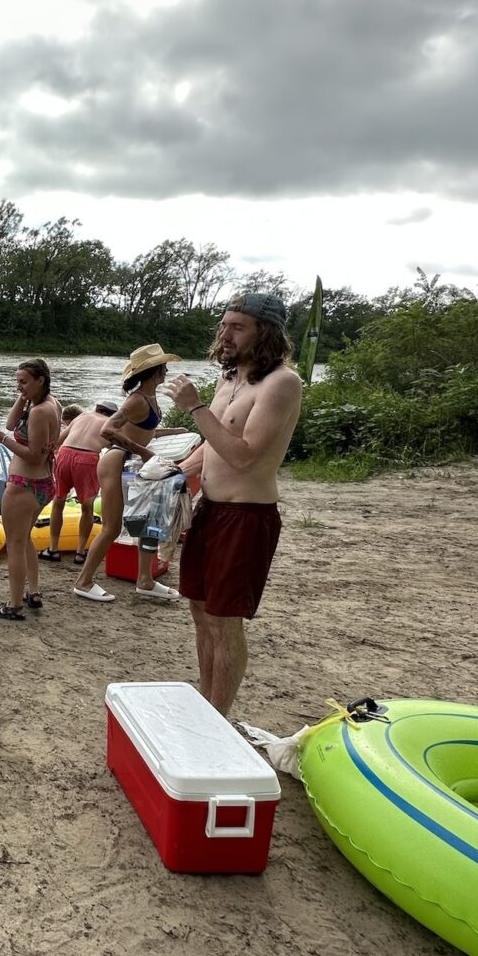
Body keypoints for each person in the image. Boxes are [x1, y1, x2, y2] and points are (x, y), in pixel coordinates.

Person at [168, 294, 303, 716]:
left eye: (237, 327)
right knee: (199, 611)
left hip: (246, 517)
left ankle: (217, 719)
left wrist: (193, 406)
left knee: (224, 622)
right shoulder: (230, 378)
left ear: (265, 333)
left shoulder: (282, 382)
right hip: (209, 510)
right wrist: (176, 468)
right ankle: (206, 703)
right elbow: (214, 442)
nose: (224, 334)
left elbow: (244, 454)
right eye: (223, 325)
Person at [73, 346, 188, 604]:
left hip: (135, 465)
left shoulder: (150, 397)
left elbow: (142, 431)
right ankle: (83, 581)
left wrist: (175, 432)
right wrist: (143, 452)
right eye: (163, 367)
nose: (167, 371)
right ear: (152, 371)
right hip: (117, 462)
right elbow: (108, 429)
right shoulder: (136, 399)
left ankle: (145, 580)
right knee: (112, 528)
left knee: (149, 524)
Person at [0, 359, 61, 619]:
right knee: (24, 538)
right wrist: (23, 397)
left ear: (41, 380)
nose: (19, 386)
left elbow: (33, 455)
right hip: (44, 484)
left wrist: (2, 440)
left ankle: (14, 605)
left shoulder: (39, 411)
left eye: (24, 382)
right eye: (17, 382)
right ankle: (33, 592)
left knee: (14, 545)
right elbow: (12, 424)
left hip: (25, 486)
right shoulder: (48, 403)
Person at [41, 402, 116, 565]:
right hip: (88, 459)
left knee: (58, 501)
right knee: (87, 507)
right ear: (113, 414)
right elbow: (114, 445)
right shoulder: (110, 423)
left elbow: (58, 440)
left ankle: (53, 549)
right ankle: (80, 552)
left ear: (97, 409)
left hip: (65, 453)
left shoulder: (82, 415)